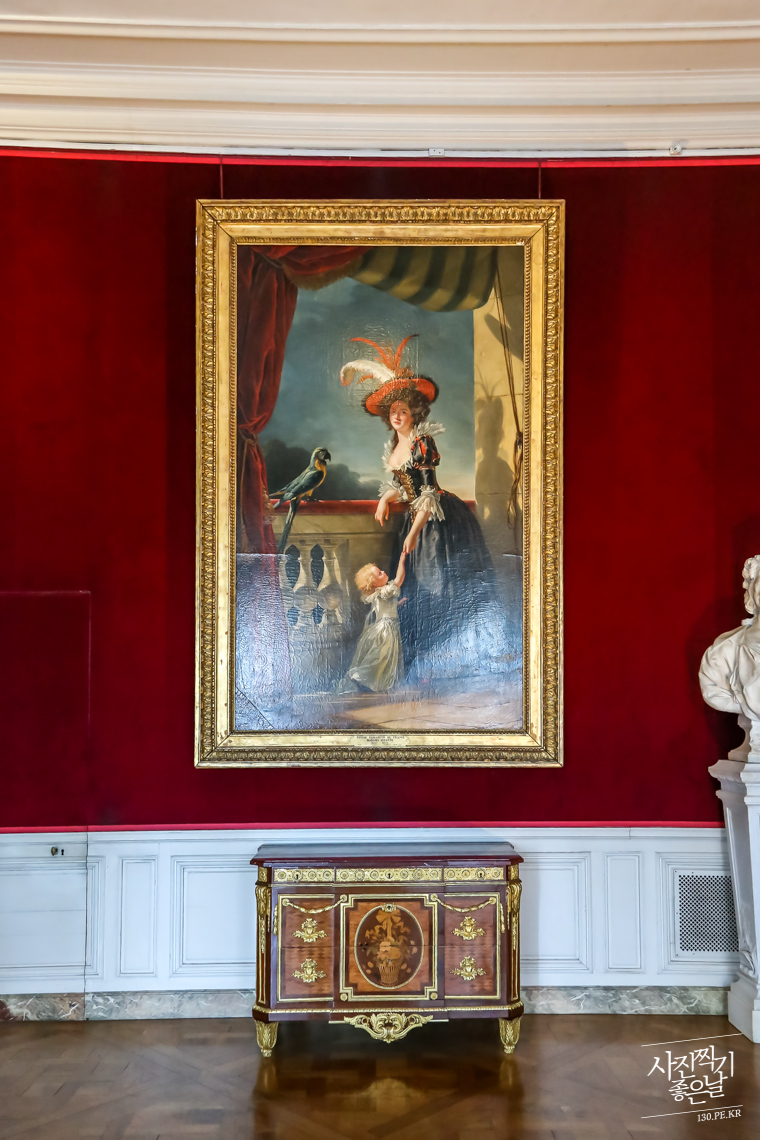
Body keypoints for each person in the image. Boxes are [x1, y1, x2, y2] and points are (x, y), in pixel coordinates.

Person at [340, 336, 513, 683]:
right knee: (417, 588)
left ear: (414, 413)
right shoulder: (397, 446)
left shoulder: (423, 442)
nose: (398, 416)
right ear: (388, 417)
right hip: (416, 518)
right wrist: (385, 499)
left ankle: (455, 665)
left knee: (442, 586)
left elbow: (427, 491)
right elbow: (405, 487)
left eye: (403, 411)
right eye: (393, 412)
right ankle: (425, 667)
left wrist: (415, 532)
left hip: (436, 520)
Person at [343, 552, 406, 693]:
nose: (383, 572)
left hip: (385, 626)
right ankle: (361, 677)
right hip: (386, 629)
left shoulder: (380, 593)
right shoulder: (384, 591)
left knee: (384, 657)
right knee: (381, 657)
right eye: (379, 573)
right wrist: (402, 559)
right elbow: (399, 579)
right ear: (374, 583)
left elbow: (388, 606)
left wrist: (398, 603)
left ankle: (377, 682)